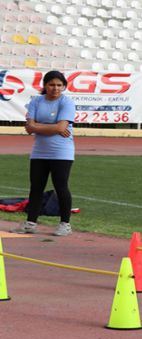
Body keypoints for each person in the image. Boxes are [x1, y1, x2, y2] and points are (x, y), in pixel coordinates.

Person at [11, 70, 76, 236]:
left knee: (61, 187)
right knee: (36, 187)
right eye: (52, 84)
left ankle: (65, 224)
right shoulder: (36, 101)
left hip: (61, 152)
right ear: (45, 85)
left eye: (59, 85)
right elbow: (29, 127)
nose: (55, 88)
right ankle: (30, 223)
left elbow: (61, 128)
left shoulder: (66, 102)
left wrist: (39, 127)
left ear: (64, 87)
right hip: (39, 151)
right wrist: (52, 127)